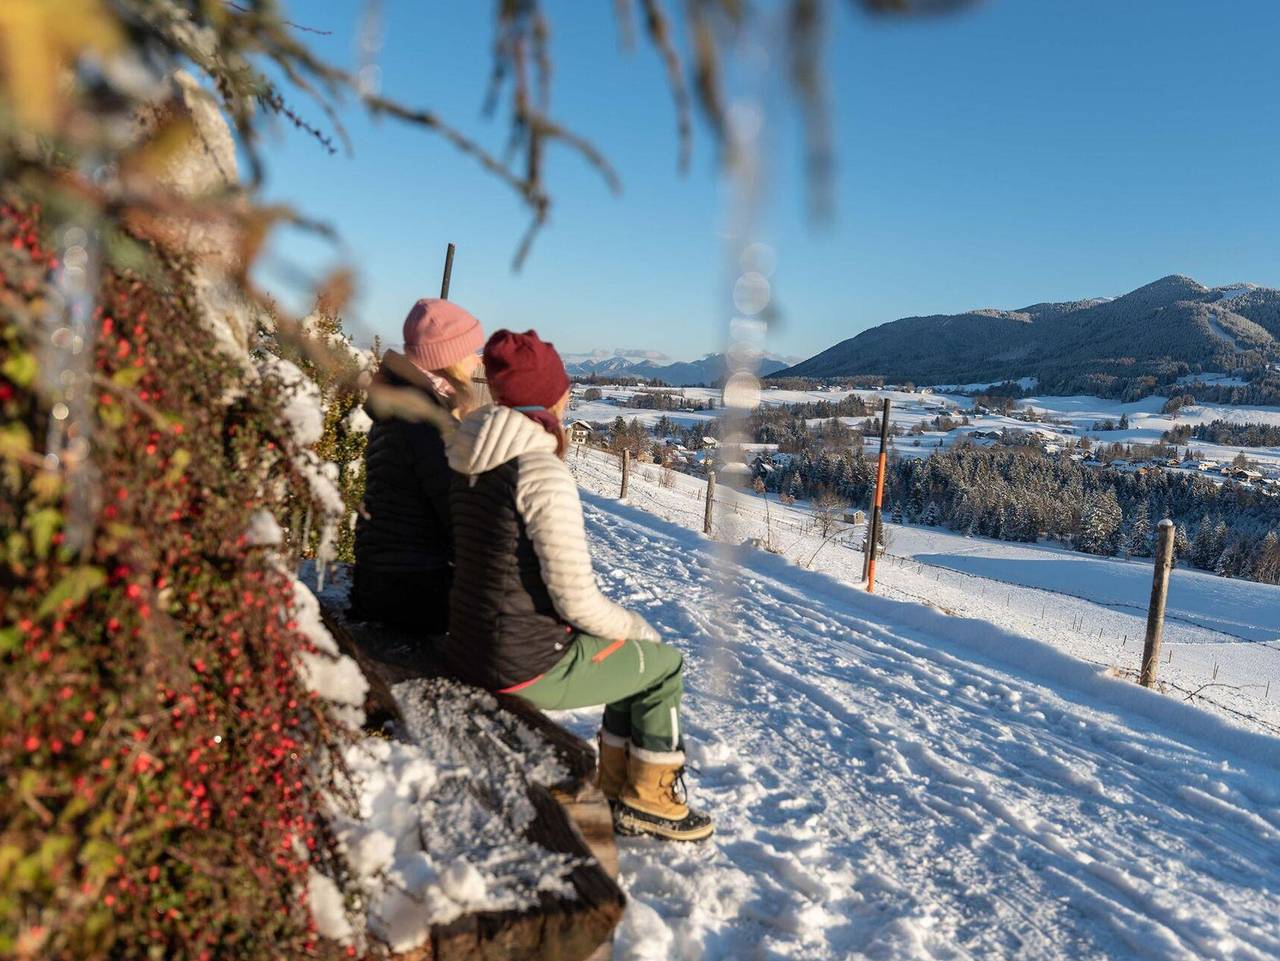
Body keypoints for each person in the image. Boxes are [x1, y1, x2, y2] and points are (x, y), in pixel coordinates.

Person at [442, 329, 714, 842]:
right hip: (521, 664)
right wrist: (639, 629)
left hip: (471, 647)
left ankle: (618, 788)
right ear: (550, 396)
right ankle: (651, 798)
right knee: (662, 666)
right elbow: (574, 598)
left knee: (624, 656)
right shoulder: (539, 471)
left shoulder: (470, 459)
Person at [351, 298, 484, 633]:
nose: (476, 360)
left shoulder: (404, 405)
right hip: (415, 591)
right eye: (470, 350)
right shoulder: (424, 420)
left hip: (385, 578)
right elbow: (456, 514)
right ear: (448, 358)